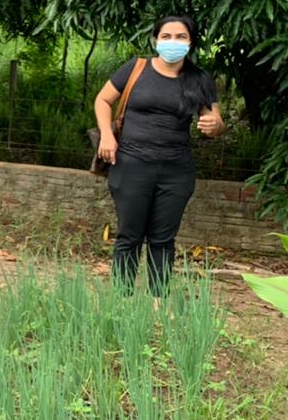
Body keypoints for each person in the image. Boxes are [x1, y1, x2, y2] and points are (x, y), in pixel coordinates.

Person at [93, 14, 224, 293]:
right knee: (129, 236)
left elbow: (215, 122)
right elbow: (103, 100)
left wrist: (214, 125)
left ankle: (158, 302)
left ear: (191, 43)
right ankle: (122, 301)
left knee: (163, 239)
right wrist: (106, 134)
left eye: (181, 37)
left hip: (176, 171)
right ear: (155, 40)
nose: (172, 42)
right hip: (130, 165)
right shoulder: (136, 68)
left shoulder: (199, 80)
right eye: (166, 36)